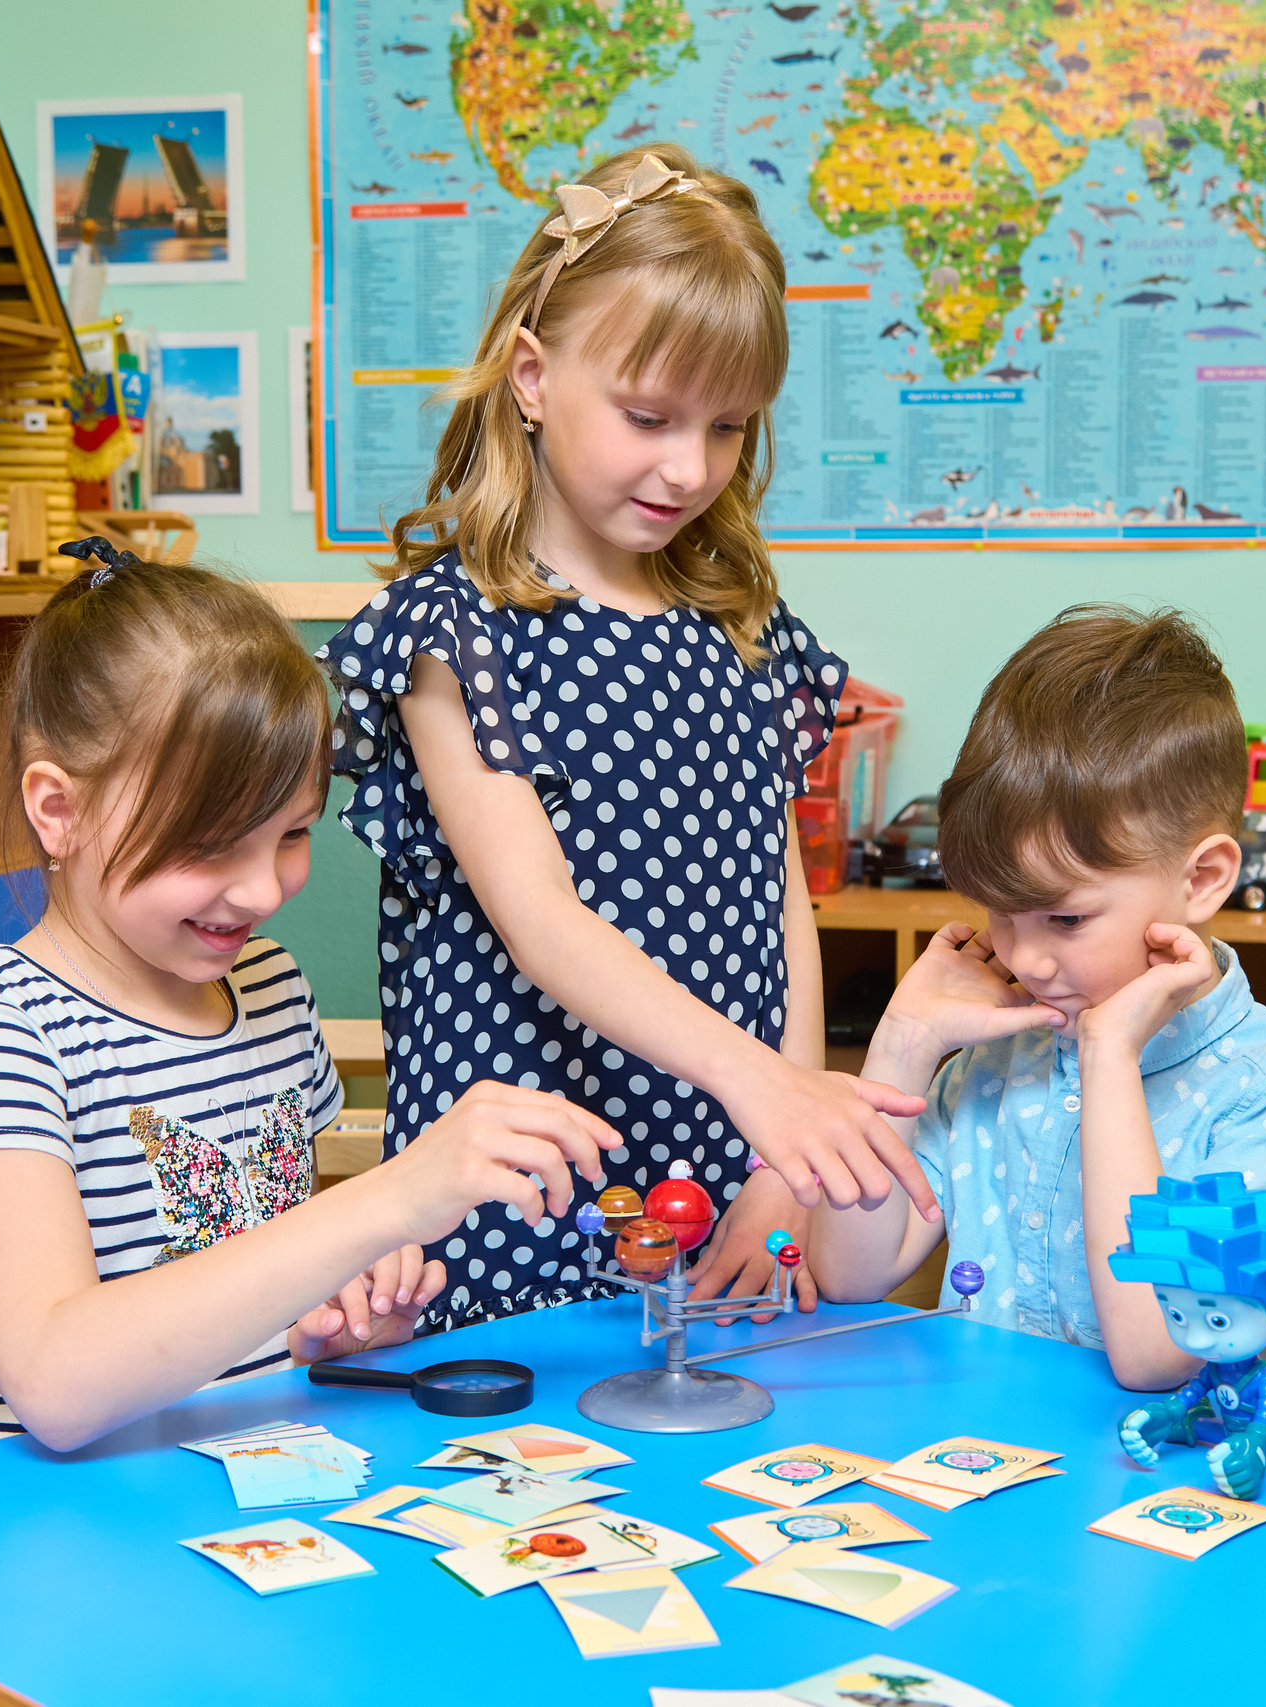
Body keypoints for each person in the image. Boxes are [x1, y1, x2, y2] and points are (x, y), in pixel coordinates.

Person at [320, 145, 936, 1333]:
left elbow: (779, 900)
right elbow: (541, 920)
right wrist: (764, 1087)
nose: (689, 467)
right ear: (533, 376)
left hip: (723, 1176)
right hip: (529, 1188)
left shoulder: (742, 627)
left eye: (727, 427)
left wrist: (783, 1151)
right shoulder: (454, 633)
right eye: (648, 417)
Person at [0, 556, 618, 1450]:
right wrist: (388, 1201)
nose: (261, 891)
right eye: (209, 844)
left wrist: (330, 1321)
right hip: (55, 1517)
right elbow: (55, 1381)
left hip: (239, 1494)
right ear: (59, 809)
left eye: (291, 834)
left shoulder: (269, 988)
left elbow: (249, 1293)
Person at [804, 606, 1266, 1398]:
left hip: (1188, 1471)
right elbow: (848, 1273)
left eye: (1065, 919)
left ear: (1202, 879)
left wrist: (1109, 1056)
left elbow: (1155, 1353)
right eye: (999, 912)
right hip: (1001, 1458)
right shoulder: (998, 1058)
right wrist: (905, 1039)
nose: (1024, 958)